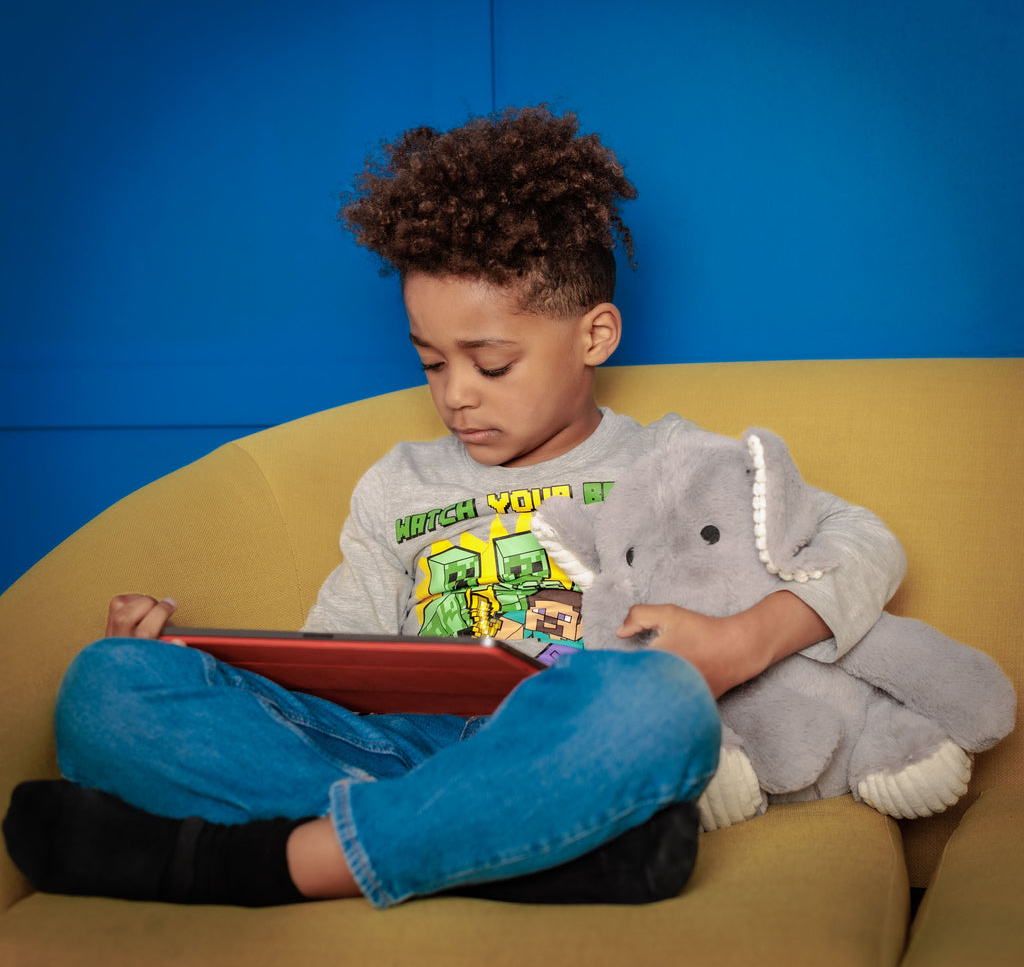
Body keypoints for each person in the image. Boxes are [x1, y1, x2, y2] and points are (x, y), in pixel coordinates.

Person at [2, 106, 905, 909]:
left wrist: (739, 642)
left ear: (594, 335)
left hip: (559, 744)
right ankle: (532, 856)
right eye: (432, 362)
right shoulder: (399, 484)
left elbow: (864, 540)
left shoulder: (667, 457)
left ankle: (276, 865)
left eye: (492, 363)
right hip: (389, 752)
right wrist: (197, 663)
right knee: (106, 688)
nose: (456, 396)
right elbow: (334, 661)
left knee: (660, 705)